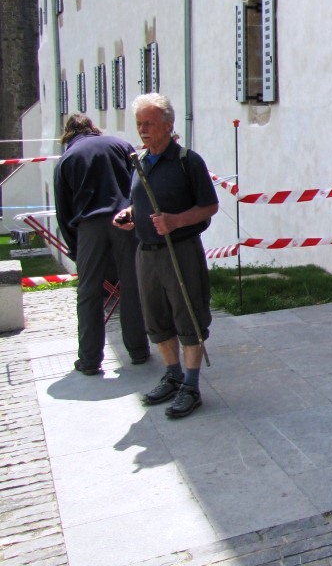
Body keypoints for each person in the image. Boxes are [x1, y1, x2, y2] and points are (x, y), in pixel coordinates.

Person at [114, 94, 218, 418]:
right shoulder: (139, 162)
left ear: (168, 125)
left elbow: (210, 207)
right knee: (157, 320)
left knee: (189, 317)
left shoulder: (188, 161)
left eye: (149, 123)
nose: (142, 130)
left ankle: (191, 385)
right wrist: (131, 213)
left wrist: (175, 221)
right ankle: (173, 375)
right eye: (139, 124)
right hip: (146, 254)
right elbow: (143, 200)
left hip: (181, 251)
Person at [54, 114, 150, 374]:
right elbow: (140, 185)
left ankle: (89, 359)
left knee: (89, 293)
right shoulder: (120, 145)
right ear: (94, 129)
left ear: (68, 134)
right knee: (132, 286)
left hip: (89, 226)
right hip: (124, 219)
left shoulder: (68, 158)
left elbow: (63, 210)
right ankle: (139, 349)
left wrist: (75, 247)